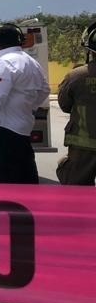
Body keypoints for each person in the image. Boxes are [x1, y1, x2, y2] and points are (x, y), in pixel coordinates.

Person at [0, 24, 49, 184]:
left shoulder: (5, 63)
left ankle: (10, 207)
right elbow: (45, 90)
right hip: (21, 128)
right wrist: (29, 107)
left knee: (7, 179)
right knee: (26, 175)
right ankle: (29, 206)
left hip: (4, 129)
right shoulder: (31, 62)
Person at [55, 21, 96, 186]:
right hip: (82, 146)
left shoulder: (76, 76)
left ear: (89, 50)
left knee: (77, 190)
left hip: (83, 146)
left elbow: (64, 105)